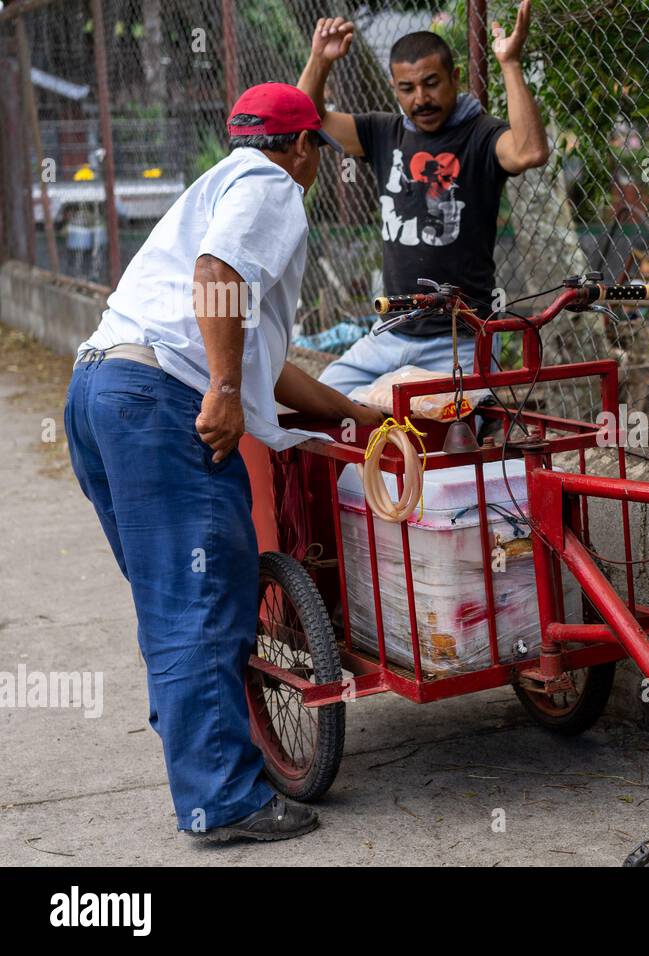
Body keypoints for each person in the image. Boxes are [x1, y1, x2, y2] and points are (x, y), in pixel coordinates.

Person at [65, 82, 384, 843]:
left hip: (101, 389)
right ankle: (223, 802)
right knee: (202, 602)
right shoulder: (272, 186)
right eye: (318, 153)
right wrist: (221, 389)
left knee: (173, 595)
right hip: (160, 403)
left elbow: (257, 358)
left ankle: (196, 740)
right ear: (302, 147)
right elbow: (219, 280)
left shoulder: (215, 186)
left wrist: (355, 411)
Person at [297, 5, 551, 394]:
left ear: (455, 78)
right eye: (407, 88)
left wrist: (510, 63)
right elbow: (306, 119)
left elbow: (530, 150)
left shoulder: (480, 135)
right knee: (323, 408)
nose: (421, 99)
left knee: (442, 436)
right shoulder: (382, 132)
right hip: (387, 336)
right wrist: (320, 60)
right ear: (394, 87)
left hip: (460, 343)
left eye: (431, 83)